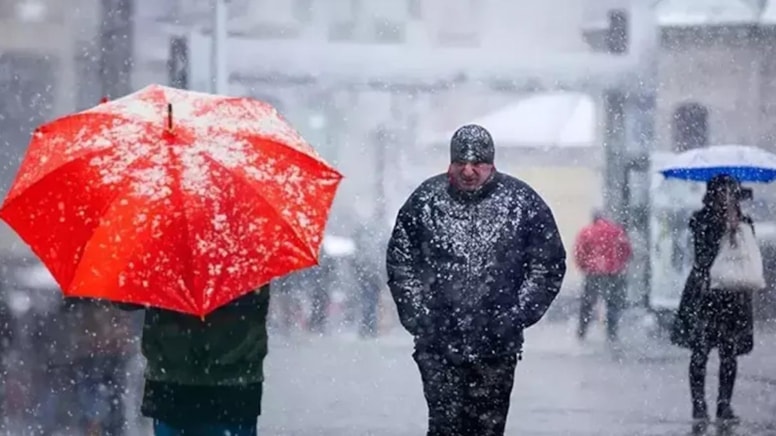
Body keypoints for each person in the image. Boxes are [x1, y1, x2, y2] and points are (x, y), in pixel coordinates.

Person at [386, 124, 567, 436]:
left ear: (491, 164)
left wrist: (517, 315)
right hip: (438, 343)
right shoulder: (425, 202)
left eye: (477, 164)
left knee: (487, 428)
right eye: (461, 163)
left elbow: (548, 264)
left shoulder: (521, 203)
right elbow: (401, 261)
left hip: (496, 345)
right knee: (444, 427)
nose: (468, 171)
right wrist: (418, 314)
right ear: (450, 163)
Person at [119, 285, 270, 436]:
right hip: (234, 382)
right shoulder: (245, 266)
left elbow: (126, 296)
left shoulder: (164, 266)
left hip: (173, 379)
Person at [671, 174, 757, 423]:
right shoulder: (701, 220)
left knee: (728, 353)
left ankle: (724, 405)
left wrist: (736, 227)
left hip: (732, 294)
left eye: (731, 191)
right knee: (700, 351)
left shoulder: (744, 222)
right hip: (705, 292)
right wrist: (722, 227)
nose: (726, 196)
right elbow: (703, 253)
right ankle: (699, 406)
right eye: (722, 191)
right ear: (712, 193)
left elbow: (748, 253)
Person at [574, 210, 632, 342]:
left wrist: (585, 267)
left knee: (588, 304)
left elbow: (580, 251)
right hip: (613, 273)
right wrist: (620, 265)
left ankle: (582, 331)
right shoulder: (616, 231)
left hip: (593, 272)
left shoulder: (587, 232)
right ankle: (612, 333)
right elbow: (627, 250)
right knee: (612, 303)